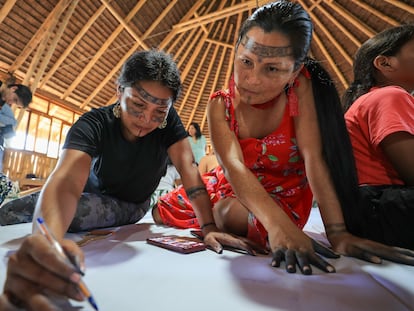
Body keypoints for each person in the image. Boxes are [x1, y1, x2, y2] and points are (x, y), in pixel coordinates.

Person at [153, 1, 414, 275]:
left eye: (272, 69)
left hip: (284, 193)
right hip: (234, 182)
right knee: (162, 211)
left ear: (295, 70)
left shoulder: (301, 90)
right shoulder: (220, 104)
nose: (251, 79)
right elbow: (233, 167)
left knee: (229, 215)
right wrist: (277, 228)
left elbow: (315, 161)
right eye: (246, 62)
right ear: (237, 49)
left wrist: (338, 234)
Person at [1, 49, 258, 310]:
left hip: (130, 204)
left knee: (76, 212)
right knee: (14, 209)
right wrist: (47, 244)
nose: (146, 120)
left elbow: (189, 170)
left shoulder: (169, 125)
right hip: (87, 193)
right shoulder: (94, 123)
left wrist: (209, 227)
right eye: (137, 105)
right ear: (119, 91)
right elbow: (66, 182)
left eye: (160, 112)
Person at [343, 24, 414, 249]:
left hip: (364, 213)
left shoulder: (368, 100)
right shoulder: (391, 95)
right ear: (385, 63)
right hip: (380, 208)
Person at [0, 80, 32, 172]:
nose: (11, 102)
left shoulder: (2, 103)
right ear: (14, 88)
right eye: (14, 100)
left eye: (15, 103)